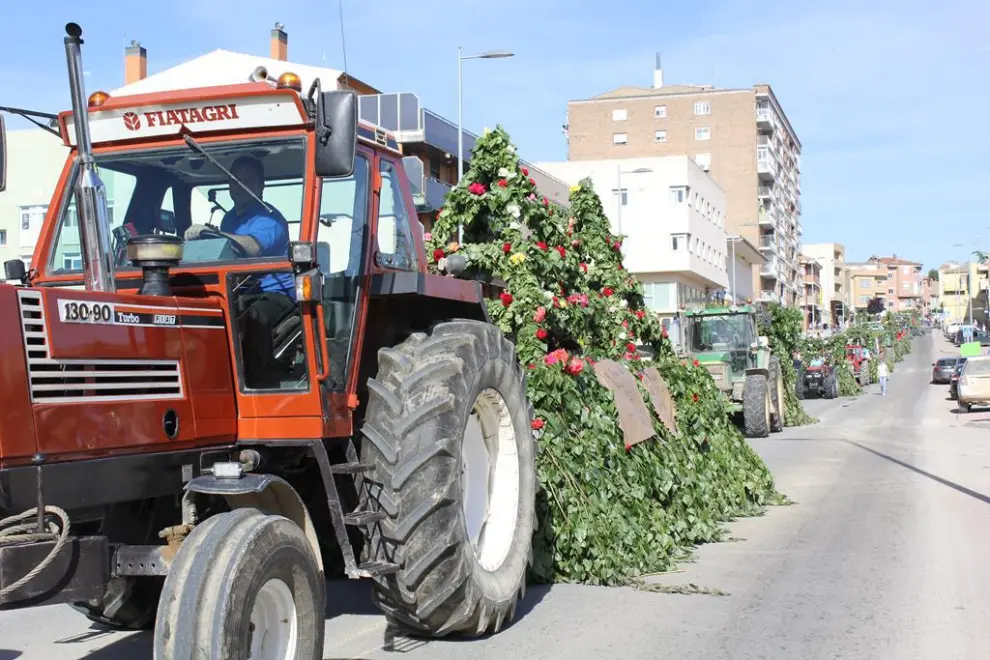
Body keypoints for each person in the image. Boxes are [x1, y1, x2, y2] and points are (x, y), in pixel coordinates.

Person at [185, 156, 298, 389]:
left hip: (275, 292)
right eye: (235, 180)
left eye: (247, 180)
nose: (239, 185)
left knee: (253, 319)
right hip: (241, 288)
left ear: (261, 186)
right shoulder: (230, 219)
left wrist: (213, 233)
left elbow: (251, 246)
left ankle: (261, 385)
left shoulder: (270, 218)